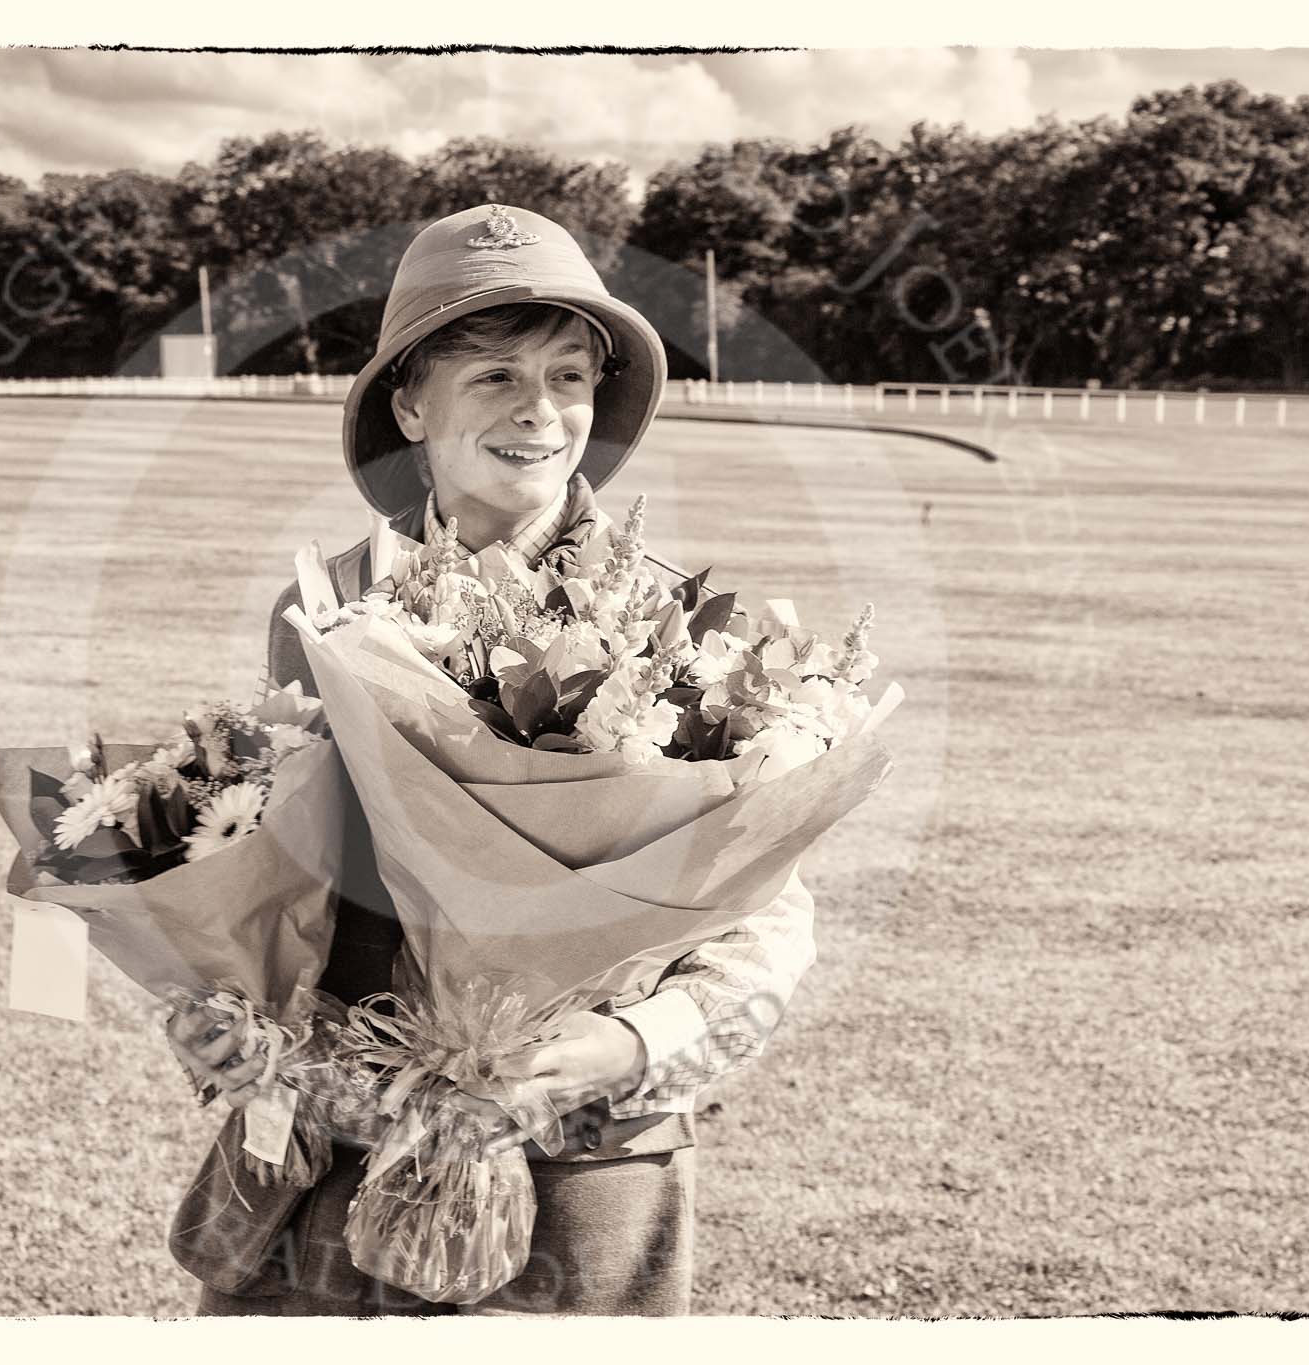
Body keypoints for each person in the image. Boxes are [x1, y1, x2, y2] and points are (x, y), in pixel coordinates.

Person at [165, 204, 820, 1316]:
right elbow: (271, 870)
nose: (542, 411)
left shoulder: (687, 620)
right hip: (339, 1144)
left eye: (569, 376)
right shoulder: (319, 603)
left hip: (581, 1160)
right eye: (494, 376)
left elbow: (765, 912)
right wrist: (225, 1006)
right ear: (409, 402)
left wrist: (627, 1043)